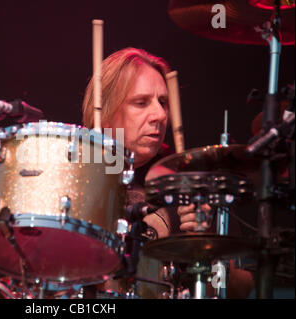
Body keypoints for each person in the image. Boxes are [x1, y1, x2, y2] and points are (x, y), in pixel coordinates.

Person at [81, 47, 254, 298]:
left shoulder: (190, 181)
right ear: (104, 112)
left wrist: (205, 250)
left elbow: (243, 286)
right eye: (141, 103)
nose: (160, 115)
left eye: (163, 103)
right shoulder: (75, 172)